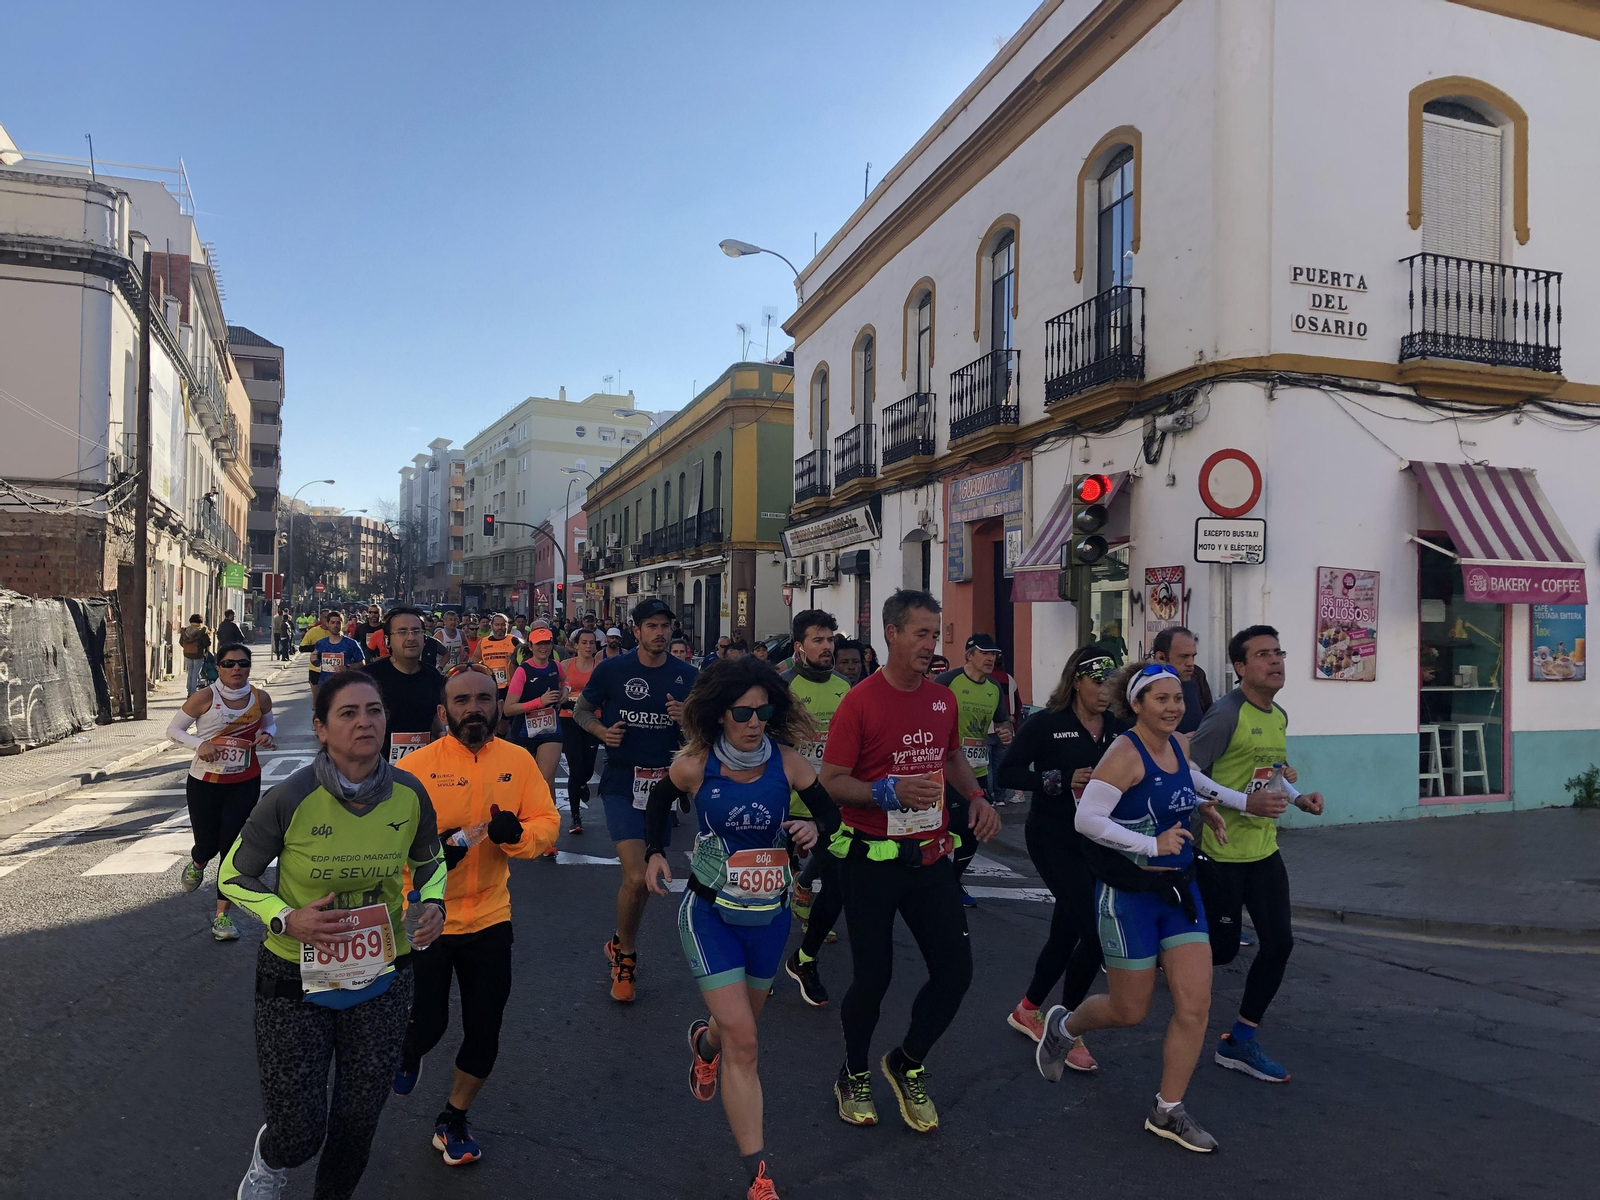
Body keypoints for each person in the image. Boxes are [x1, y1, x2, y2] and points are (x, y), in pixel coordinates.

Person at [220, 670, 448, 1200]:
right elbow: (233, 876)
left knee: (356, 1122)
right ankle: (271, 1158)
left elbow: (431, 861)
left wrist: (433, 903)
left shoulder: (410, 793)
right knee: (299, 1131)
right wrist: (286, 917)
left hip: (382, 973)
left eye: (374, 711)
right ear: (321, 729)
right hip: (294, 976)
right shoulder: (291, 797)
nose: (364, 723)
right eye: (348, 713)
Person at [1033, 661, 1263, 1153]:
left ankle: (1168, 1110)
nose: (1173, 707)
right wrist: (1151, 845)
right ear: (1136, 704)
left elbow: (1193, 782)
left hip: (1179, 891)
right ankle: (1065, 1026)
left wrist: (1221, 806)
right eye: (1161, 699)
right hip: (1128, 896)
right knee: (1128, 1010)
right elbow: (1087, 819)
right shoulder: (1123, 753)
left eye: (1177, 698)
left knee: (1195, 1004)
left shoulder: (1178, 744)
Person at [644, 657, 840, 1200]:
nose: (754, 723)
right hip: (709, 914)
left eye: (763, 712)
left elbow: (830, 817)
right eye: (742, 713)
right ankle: (759, 1174)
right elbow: (659, 800)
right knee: (747, 1042)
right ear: (718, 714)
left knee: (733, 1030)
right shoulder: (696, 764)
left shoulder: (789, 763)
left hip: (768, 918)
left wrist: (813, 827)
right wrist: (655, 852)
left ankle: (704, 1044)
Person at [820, 589, 1000, 1133]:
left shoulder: (942, 700)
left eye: (935, 634)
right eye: (920, 634)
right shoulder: (860, 702)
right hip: (870, 859)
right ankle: (853, 1073)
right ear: (891, 634)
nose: (930, 644)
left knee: (956, 972)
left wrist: (977, 798)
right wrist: (886, 793)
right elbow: (832, 781)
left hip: (930, 856)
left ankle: (907, 1060)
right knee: (873, 977)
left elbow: (951, 756)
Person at [393, 665, 560, 1165]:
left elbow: (547, 823)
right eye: (462, 701)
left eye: (484, 699)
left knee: (485, 1029)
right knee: (428, 1025)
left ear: (497, 707)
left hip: (490, 915)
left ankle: (454, 1118)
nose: (474, 709)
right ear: (443, 712)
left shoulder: (517, 761)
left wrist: (518, 837)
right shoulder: (415, 769)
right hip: (425, 915)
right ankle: (408, 1050)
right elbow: (388, 847)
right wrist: (434, 858)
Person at [1189, 625, 1325, 1083]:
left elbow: (1268, 772)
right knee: (1222, 951)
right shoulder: (1226, 715)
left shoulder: (1278, 714)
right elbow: (1189, 772)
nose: (1276, 661)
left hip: (1263, 851)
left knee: (1279, 943)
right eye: (1263, 654)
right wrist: (1243, 804)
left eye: (1278, 652)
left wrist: (1298, 797)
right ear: (1240, 667)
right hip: (1220, 852)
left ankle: (1240, 1040)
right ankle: (1149, 957)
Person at [999, 648, 1122, 1070]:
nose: (1105, 692)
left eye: (1112, 684)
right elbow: (1008, 772)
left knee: (1066, 931)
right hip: (1052, 838)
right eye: (1098, 683)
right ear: (1076, 681)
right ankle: (1067, 1028)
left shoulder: (1118, 727)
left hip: (1098, 842)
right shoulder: (1047, 723)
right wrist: (1060, 779)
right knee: (1093, 932)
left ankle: (1029, 1009)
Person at [575, 597, 697, 1001]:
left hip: (663, 788)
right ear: (636, 630)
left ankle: (618, 940)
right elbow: (581, 710)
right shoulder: (613, 669)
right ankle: (626, 956)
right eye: (651, 626)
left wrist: (687, 719)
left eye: (665, 626)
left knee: (645, 879)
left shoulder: (687, 676)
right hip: (621, 780)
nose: (660, 633)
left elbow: (706, 732)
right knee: (634, 874)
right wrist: (601, 732)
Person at [167, 643, 276, 941]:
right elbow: (173, 731)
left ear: (250, 667)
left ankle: (222, 916)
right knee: (207, 843)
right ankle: (199, 860)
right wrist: (199, 744)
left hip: (244, 781)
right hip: (205, 782)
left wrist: (267, 736)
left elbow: (269, 725)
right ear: (218, 668)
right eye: (229, 664)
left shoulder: (260, 698)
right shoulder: (205, 697)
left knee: (231, 849)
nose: (236, 668)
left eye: (243, 663)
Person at [779, 610, 853, 1007]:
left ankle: (805, 958)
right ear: (799, 646)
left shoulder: (845, 687)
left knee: (838, 883)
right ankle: (758, 964)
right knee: (767, 890)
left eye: (830, 640)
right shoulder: (782, 685)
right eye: (818, 640)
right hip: (783, 804)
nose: (827, 647)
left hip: (827, 803)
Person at [933, 633, 1015, 906]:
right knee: (952, 826)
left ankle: (952, 880)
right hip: (946, 770)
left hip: (978, 770)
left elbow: (1002, 722)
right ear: (970, 655)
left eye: (994, 654)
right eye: (985, 653)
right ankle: (937, 882)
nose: (991, 659)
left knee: (974, 829)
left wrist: (1006, 732)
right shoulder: (948, 681)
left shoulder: (993, 688)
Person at [503, 626, 566, 858]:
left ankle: (548, 835)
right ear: (530, 646)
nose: (543, 647)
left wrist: (566, 691)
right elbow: (508, 709)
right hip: (523, 732)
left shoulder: (555, 666)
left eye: (547, 643)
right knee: (521, 783)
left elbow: (564, 681)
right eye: (539, 644)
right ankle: (519, 825)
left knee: (546, 780)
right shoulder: (523, 671)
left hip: (550, 729)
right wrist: (539, 702)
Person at [362, 606, 444, 765]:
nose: (411, 637)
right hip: (377, 767)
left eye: (416, 631)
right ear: (387, 641)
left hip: (423, 766)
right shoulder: (368, 678)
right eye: (402, 632)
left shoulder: (434, 677)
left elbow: (436, 720)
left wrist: (441, 733)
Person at [1152, 626, 1214, 736]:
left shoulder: (1197, 675)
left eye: (1193, 656)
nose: (1190, 663)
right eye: (1183, 656)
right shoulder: (1144, 684)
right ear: (1161, 657)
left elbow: (1210, 718)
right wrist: (1176, 742)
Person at [469, 613, 518, 714]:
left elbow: (526, 660)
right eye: (497, 625)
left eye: (503, 624)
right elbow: (475, 660)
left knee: (506, 715)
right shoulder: (483, 642)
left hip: (509, 686)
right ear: (491, 626)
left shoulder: (514, 641)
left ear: (508, 626)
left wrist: (514, 661)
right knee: (491, 714)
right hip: (490, 685)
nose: (500, 627)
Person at [312, 611, 366, 686]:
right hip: (325, 685)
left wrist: (347, 668)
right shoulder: (320, 644)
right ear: (327, 624)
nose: (335, 625)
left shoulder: (351, 643)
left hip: (345, 685)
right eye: (332, 623)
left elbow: (362, 663)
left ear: (342, 624)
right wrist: (313, 661)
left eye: (338, 623)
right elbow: (318, 664)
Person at [179, 614, 213, 694]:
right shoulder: (202, 631)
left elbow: (181, 642)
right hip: (198, 654)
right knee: (196, 673)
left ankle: (189, 690)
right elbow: (207, 643)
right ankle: (193, 692)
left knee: (190, 672)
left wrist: (188, 647)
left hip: (187, 653)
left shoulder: (185, 630)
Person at [301, 610, 335, 688]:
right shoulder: (313, 631)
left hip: (333, 670)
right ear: (320, 618)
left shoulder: (336, 631)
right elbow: (302, 648)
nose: (327, 619)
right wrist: (318, 647)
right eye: (325, 617)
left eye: (329, 617)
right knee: (317, 695)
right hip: (316, 669)